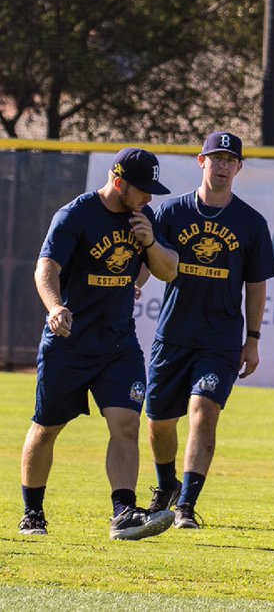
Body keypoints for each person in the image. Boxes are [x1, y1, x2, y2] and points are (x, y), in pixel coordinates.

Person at [21, 148, 180, 539]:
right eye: (143, 189)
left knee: (125, 421)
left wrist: (149, 245)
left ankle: (124, 513)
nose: (150, 197)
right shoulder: (75, 215)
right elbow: (47, 267)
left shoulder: (145, 217)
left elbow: (168, 270)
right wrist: (55, 306)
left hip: (118, 342)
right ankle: (33, 513)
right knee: (47, 427)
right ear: (119, 181)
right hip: (69, 341)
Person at [144, 131, 274, 529]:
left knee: (203, 410)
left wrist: (252, 340)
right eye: (214, 157)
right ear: (200, 161)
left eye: (229, 159)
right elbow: (147, 257)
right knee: (158, 422)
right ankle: (166, 485)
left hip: (219, 339)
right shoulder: (171, 212)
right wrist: (134, 282)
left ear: (239, 167)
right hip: (173, 334)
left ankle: (186, 504)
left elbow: (256, 285)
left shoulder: (251, 223)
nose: (221, 166)